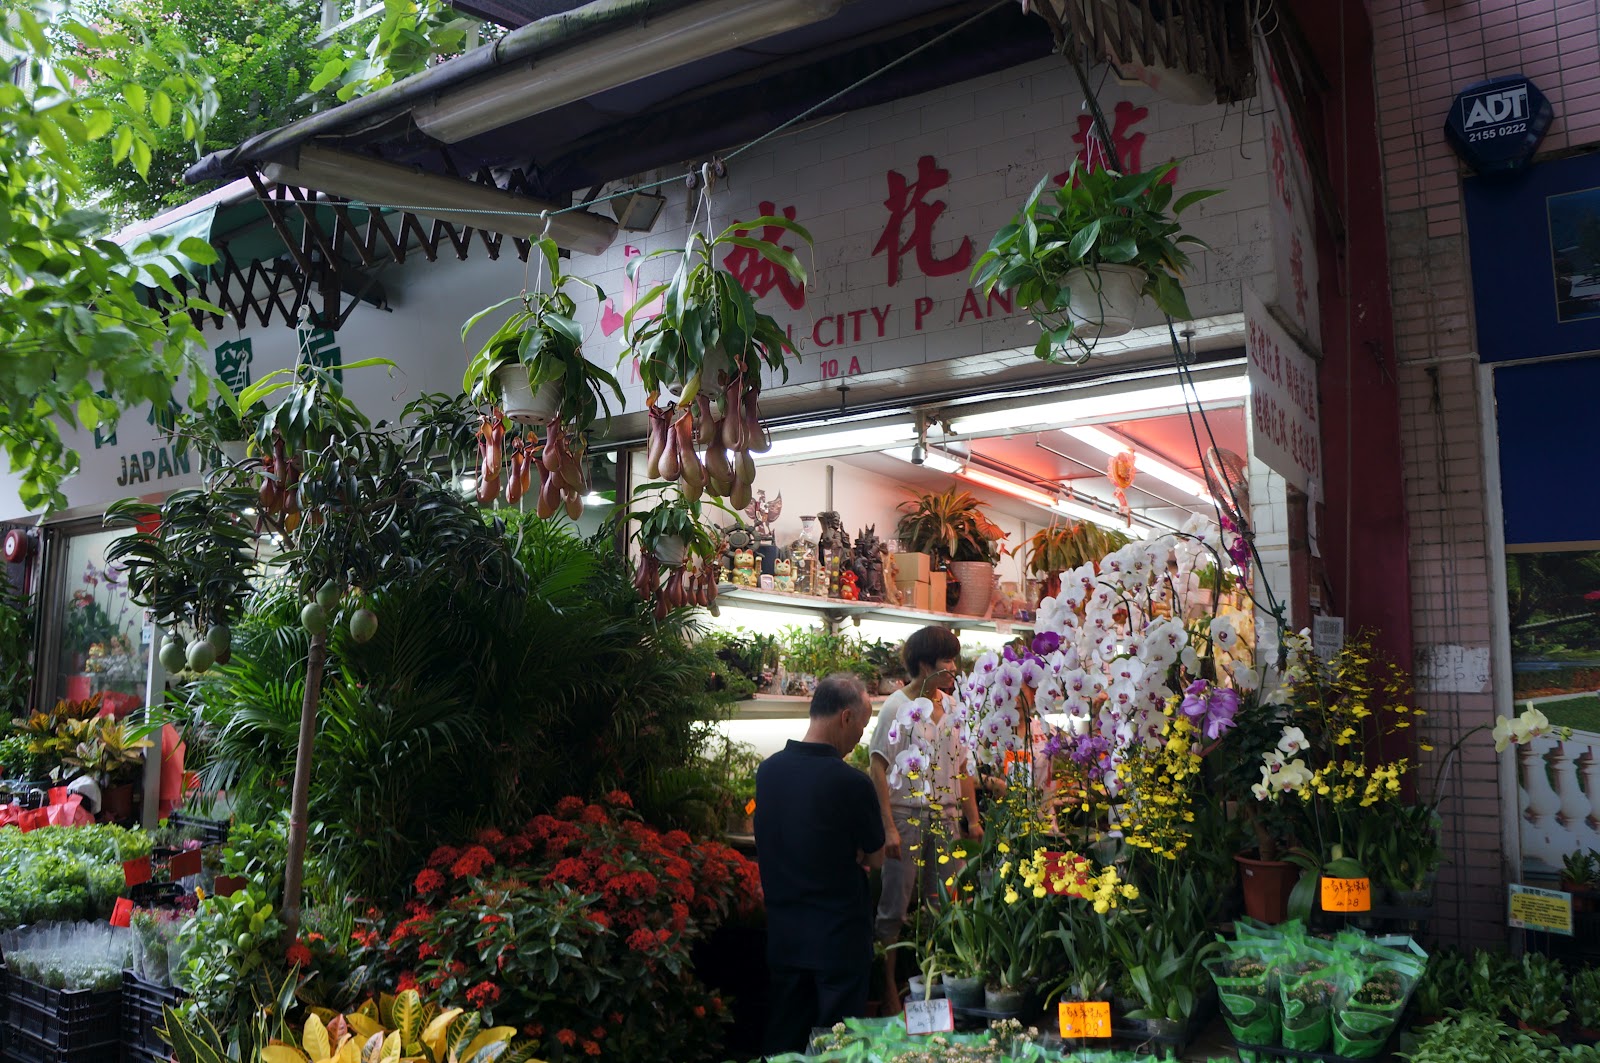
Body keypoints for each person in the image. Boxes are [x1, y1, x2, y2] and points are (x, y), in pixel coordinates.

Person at [754, 672, 886, 1055]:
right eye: (861, 726)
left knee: (784, 1041)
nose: (861, 736)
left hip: (785, 937)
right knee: (836, 1046)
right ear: (845, 717)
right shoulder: (851, 783)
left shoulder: (769, 771)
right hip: (838, 941)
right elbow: (875, 856)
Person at [867, 625, 982, 1013]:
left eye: (954, 659)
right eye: (945, 660)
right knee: (894, 911)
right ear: (923, 664)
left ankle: (935, 991)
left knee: (946, 906)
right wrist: (887, 827)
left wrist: (974, 820)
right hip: (906, 815)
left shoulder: (951, 707)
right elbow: (878, 766)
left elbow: (963, 767)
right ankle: (888, 994)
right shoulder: (896, 706)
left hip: (946, 818)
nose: (953, 668)